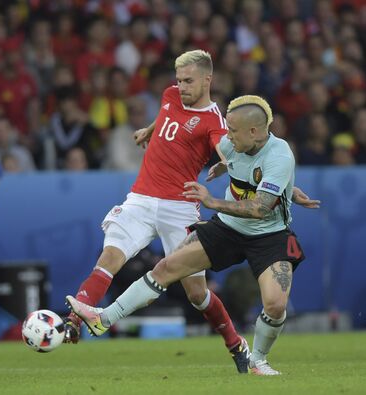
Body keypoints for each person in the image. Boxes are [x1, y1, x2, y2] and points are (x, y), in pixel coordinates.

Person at [67, 95, 320, 376]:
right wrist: (153, 130)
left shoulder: (280, 154)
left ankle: (258, 360)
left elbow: (260, 208)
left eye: (233, 131)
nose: (227, 136)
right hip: (228, 227)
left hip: (269, 235)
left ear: (255, 131)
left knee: (274, 304)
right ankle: (103, 319)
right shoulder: (231, 144)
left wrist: (212, 202)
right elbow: (198, 133)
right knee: (166, 267)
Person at [64, 50, 252, 373]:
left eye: (189, 81)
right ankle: (74, 321)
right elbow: (168, 114)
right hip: (140, 198)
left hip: (179, 209)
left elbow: (223, 144)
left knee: (196, 294)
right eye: (179, 80)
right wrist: (149, 130)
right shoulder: (170, 96)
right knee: (109, 257)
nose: (181, 87)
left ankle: (236, 342)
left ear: (208, 80)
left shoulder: (214, 122)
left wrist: (226, 160)